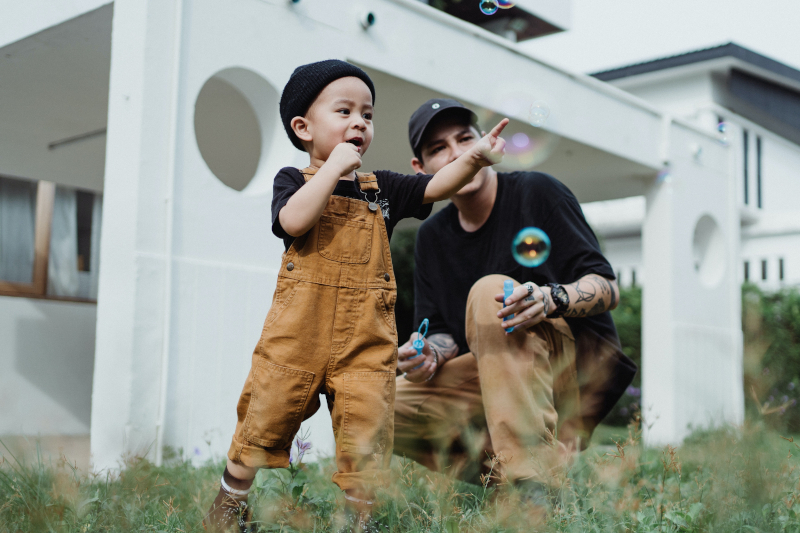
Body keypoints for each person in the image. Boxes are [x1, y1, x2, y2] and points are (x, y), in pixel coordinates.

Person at [203, 61, 509, 532]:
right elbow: (293, 222)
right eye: (344, 110)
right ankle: (229, 505)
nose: (359, 122)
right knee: (266, 414)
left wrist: (476, 158)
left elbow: (436, 185)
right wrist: (333, 170)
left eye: (367, 114)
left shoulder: (382, 188)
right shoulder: (293, 180)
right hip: (296, 337)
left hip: (365, 344)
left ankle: (358, 521)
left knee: (367, 430)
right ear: (303, 128)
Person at [393, 98, 637, 504]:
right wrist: (429, 355)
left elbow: (608, 288)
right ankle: (520, 474)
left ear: (487, 145)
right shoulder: (432, 236)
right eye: (438, 148)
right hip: (496, 376)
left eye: (466, 138)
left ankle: (533, 494)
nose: (459, 154)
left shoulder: (537, 192)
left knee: (493, 293)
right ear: (421, 169)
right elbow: (439, 332)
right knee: (377, 406)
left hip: (572, 372)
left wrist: (550, 297)